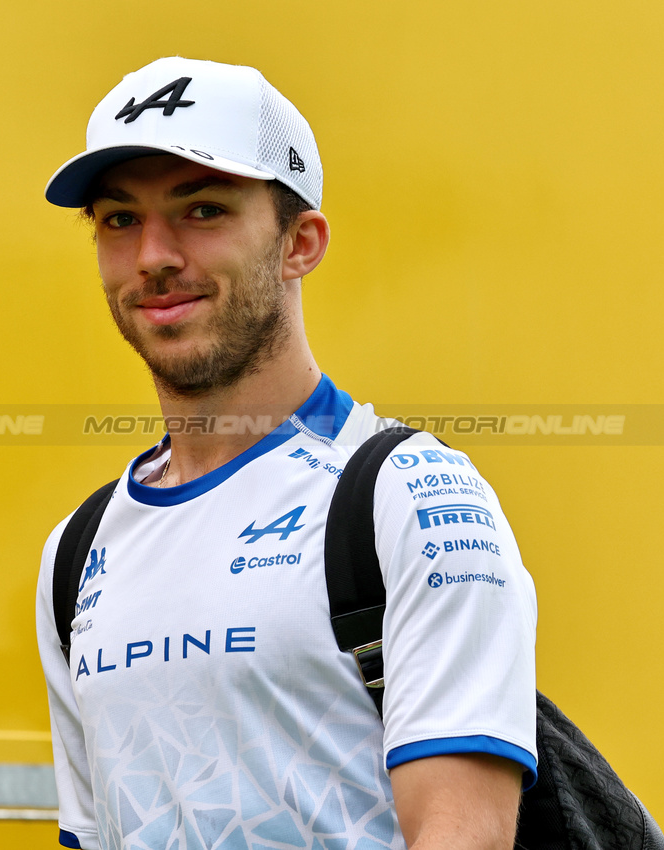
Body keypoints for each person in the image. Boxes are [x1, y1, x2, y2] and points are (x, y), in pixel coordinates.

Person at [34, 57, 538, 850]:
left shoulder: (409, 493)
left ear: (299, 243)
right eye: (117, 220)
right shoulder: (78, 549)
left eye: (201, 210)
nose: (152, 257)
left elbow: (461, 835)